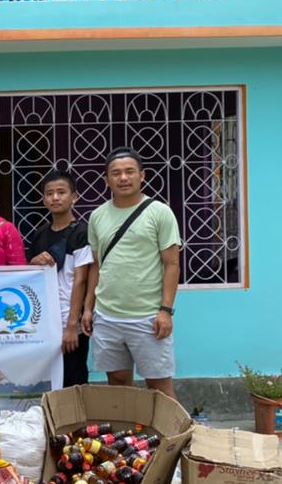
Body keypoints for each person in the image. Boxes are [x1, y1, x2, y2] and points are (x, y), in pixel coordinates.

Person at [81, 148, 182, 400]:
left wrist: (165, 311)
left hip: (148, 317)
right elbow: (97, 265)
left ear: (142, 176)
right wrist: (88, 308)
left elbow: (172, 264)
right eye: (115, 173)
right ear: (107, 180)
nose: (123, 178)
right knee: (117, 385)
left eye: (129, 172)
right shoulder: (97, 216)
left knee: (159, 386)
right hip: (107, 317)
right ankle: (129, 439)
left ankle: (173, 439)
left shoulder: (159, 212)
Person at [28, 170, 94, 386]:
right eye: (49, 193)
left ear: (74, 197)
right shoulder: (39, 235)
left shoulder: (82, 232)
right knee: (48, 382)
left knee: (74, 380)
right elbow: (31, 278)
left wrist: (71, 326)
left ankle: (79, 422)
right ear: (43, 198)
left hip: (69, 320)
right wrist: (34, 262)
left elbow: (81, 280)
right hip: (45, 323)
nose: (55, 197)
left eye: (61, 192)